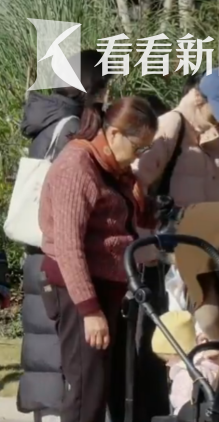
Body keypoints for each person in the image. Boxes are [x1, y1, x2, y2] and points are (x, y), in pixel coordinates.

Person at [37, 96, 158, 422]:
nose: (139, 157)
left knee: (107, 385)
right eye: (138, 147)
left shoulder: (111, 167)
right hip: (77, 290)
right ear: (114, 133)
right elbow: (69, 246)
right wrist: (89, 310)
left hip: (107, 287)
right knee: (86, 393)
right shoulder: (77, 167)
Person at [16, 49, 112, 422]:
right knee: (65, 357)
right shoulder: (73, 129)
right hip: (61, 253)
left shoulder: (47, 120)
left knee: (48, 350)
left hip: (40, 250)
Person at [132, 67, 219, 344]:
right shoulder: (171, 125)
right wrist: (144, 238)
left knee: (210, 326)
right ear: (199, 97)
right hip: (169, 249)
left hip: (217, 248)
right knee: (174, 328)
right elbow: (137, 181)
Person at [151, 310, 219, 415]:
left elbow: (184, 412)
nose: (167, 364)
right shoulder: (211, 362)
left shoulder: (186, 376)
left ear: (177, 353)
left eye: (166, 360)